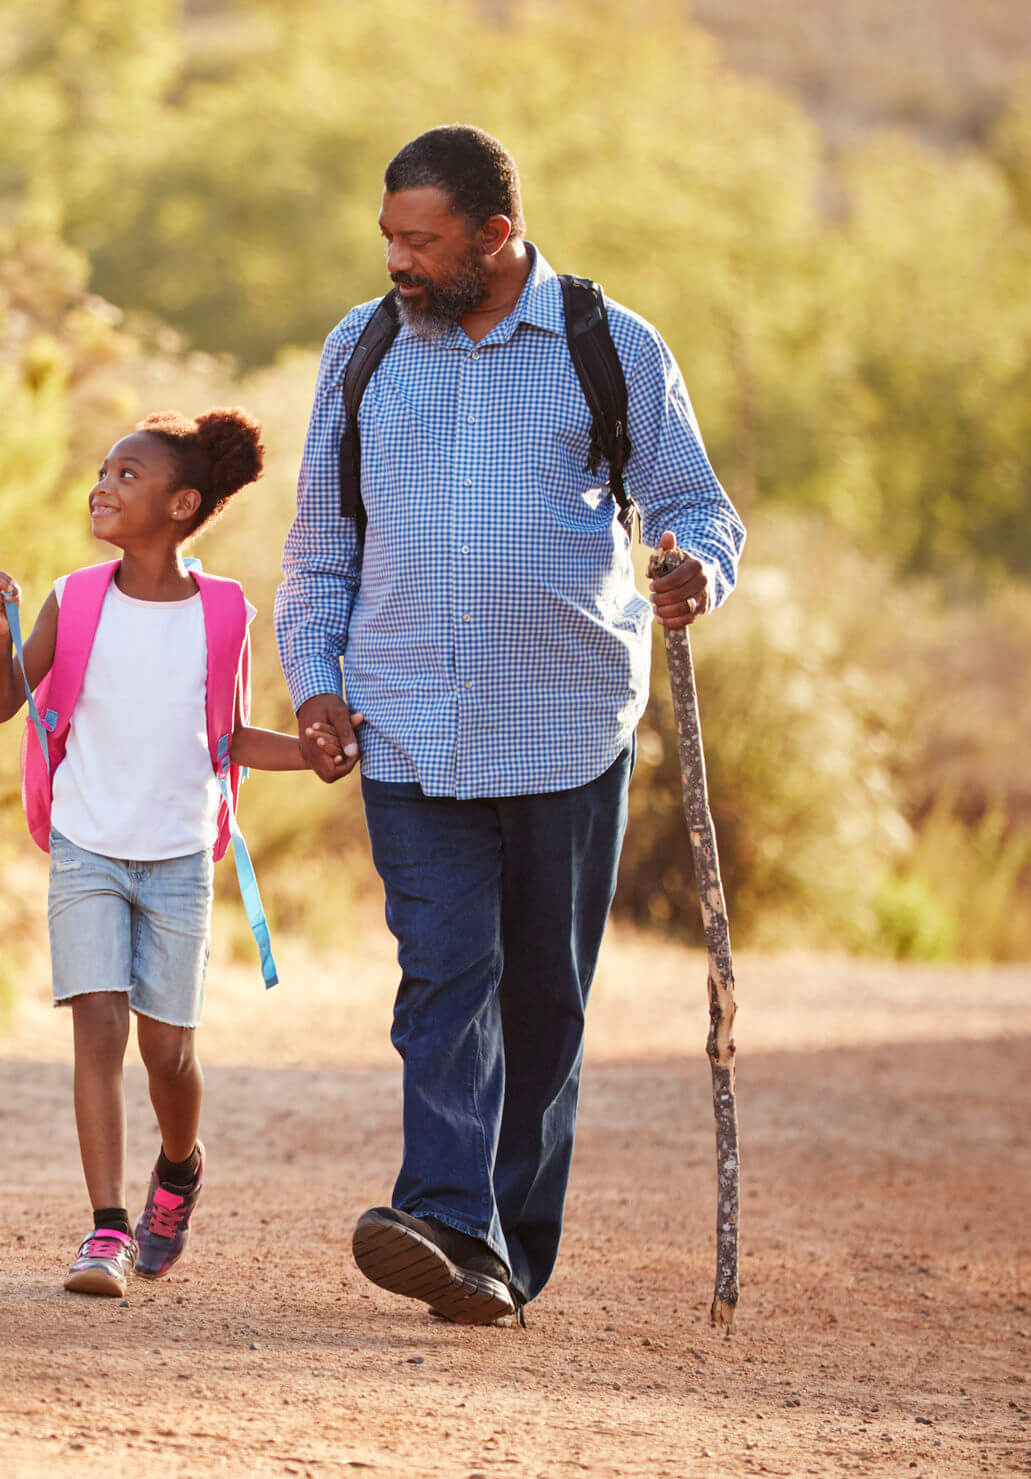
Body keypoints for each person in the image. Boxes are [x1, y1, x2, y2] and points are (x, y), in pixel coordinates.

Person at [277, 126, 746, 1324]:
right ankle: (440, 1214)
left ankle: (499, 1259)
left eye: (417, 240)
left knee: (542, 998)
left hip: (565, 729)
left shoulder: (608, 345)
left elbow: (691, 503)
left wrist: (695, 569)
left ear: (492, 236)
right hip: (406, 721)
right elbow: (321, 547)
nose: (394, 259)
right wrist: (313, 679)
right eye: (387, 235)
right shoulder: (363, 347)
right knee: (443, 975)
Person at [0, 410, 329, 1296]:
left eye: (126, 476)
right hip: (86, 847)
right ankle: (105, 1230)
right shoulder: (74, 597)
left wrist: (314, 753)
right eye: (103, 470)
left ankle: (178, 1167)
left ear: (181, 505)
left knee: (166, 1052)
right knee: (96, 1029)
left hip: (175, 860)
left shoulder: (224, 612)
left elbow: (233, 736)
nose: (103, 484)